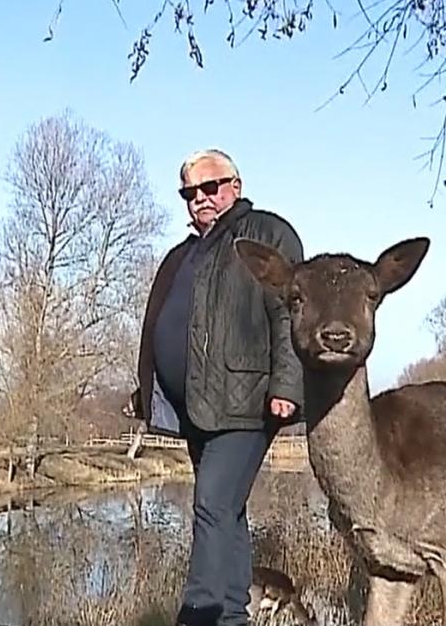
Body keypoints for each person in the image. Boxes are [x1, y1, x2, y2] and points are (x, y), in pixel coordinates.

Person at [127, 148, 305, 626]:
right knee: (228, 512)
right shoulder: (186, 253)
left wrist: (288, 384)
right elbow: (161, 327)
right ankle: (230, 616)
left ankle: (197, 616)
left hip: (246, 403)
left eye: (210, 187)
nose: (200, 199)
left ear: (235, 187)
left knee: (210, 505)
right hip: (199, 409)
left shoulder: (265, 234)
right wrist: (149, 392)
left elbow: (290, 311)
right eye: (190, 192)